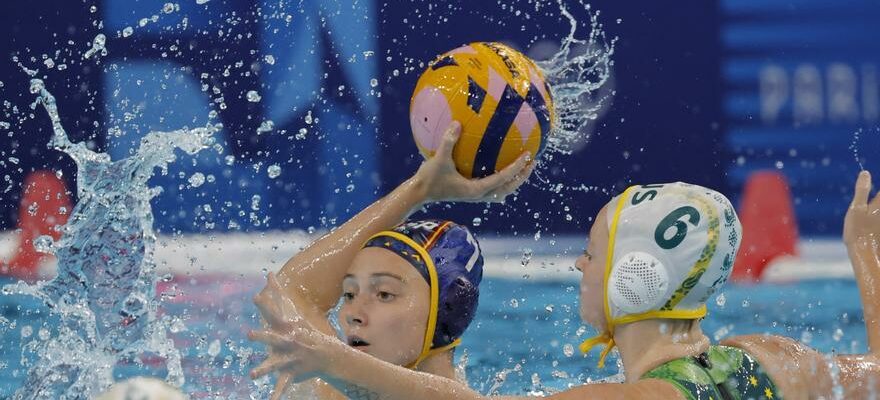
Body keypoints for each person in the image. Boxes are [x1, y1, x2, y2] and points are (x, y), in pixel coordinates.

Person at [250, 170, 880, 399]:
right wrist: (867, 254)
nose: (580, 267)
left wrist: (334, 359)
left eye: (592, 253)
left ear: (638, 277)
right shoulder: (771, 358)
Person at [250, 121, 535, 399]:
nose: (352, 314)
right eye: (348, 294)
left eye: (384, 294)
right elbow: (288, 290)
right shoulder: (331, 388)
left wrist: (334, 360)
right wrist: (419, 189)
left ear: (446, 312)